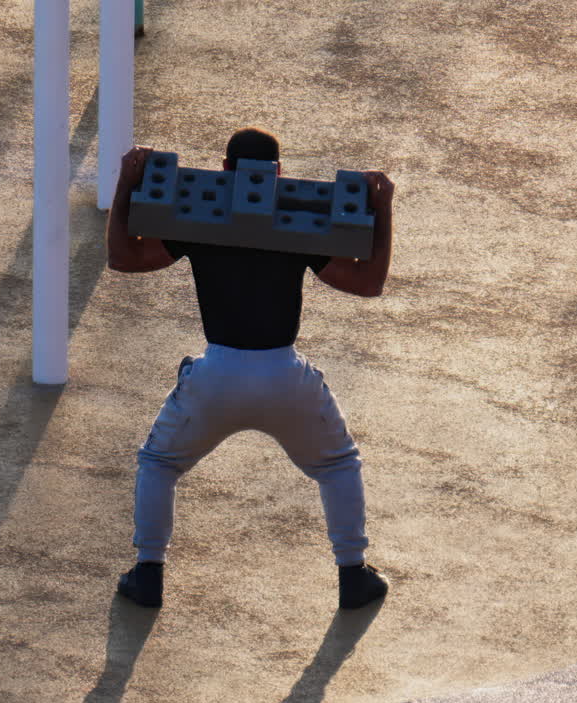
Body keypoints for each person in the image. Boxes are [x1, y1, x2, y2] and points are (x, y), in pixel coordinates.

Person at [106, 128, 394, 610]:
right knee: (338, 465)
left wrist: (124, 181)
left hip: (217, 373)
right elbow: (368, 283)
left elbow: (123, 257)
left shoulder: (199, 220)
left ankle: (148, 574)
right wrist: (384, 208)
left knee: (159, 464)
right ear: (278, 174)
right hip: (284, 374)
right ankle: (354, 575)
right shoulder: (295, 225)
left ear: (223, 171)